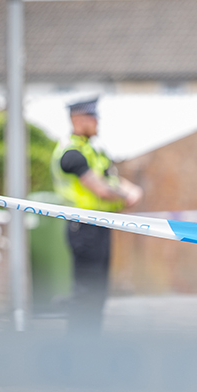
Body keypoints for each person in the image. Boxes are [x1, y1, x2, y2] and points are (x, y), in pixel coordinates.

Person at [51, 97, 142, 333]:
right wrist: (126, 195)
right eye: (92, 117)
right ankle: (80, 345)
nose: (97, 122)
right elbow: (100, 188)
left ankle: (91, 344)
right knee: (86, 291)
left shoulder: (93, 150)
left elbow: (110, 179)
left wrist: (130, 189)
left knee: (98, 290)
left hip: (99, 225)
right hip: (83, 227)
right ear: (77, 119)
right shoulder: (71, 153)